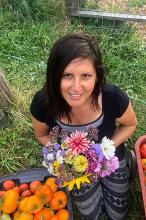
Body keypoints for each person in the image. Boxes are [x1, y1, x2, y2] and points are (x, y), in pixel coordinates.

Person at [30, 33, 137, 220]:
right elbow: (41, 135)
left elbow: (130, 124)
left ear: (97, 76)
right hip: (76, 168)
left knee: (117, 214)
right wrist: (61, 158)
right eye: (67, 75)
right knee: (91, 214)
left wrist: (108, 148)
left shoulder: (112, 97)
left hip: (109, 161)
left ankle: (126, 163)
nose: (76, 87)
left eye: (86, 75)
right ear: (54, 75)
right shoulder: (43, 103)